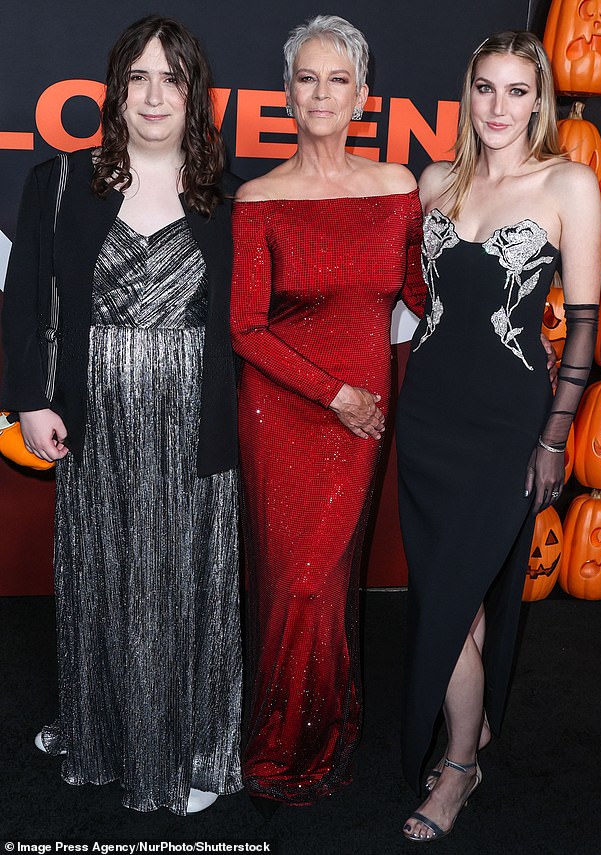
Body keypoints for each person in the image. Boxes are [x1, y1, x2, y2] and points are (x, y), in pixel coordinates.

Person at [1, 16, 242, 815]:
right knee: (102, 577)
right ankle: (99, 731)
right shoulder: (63, 181)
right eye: (137, 77)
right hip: (95, 418)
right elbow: (26, 298)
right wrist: (31, 400)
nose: (152, 94)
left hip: (193, 421)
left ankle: (189, 745)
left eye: (171, 78)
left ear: (193, 95)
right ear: (116, 90)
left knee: (181, 584)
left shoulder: (227, 199)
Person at [397, 31, 601, 842]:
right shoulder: (435, 180)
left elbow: (584, 327)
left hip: (509, 418)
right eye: (486, 88)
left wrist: (555, 436)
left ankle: (457, 770)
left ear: (539, 101)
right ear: (467, 91)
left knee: (452, 595)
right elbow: (424, 299)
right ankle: (469, 724)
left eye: (518, 92)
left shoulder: (571, 182)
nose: (499, 108)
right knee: (453, 593)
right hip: (430, 412)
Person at [230, 15, 427, 806]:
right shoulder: (260, 197)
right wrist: (335, 394)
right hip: (286, 410)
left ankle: (322, 723)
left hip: (364, 418)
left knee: (326, 577)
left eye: (336, 79)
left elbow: (421, 295)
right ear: (286, 94)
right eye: (306, 78)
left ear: (363, 97)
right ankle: (282, 740)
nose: (320, 92)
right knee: (292, 582)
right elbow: (245, 328)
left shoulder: (398, 188)